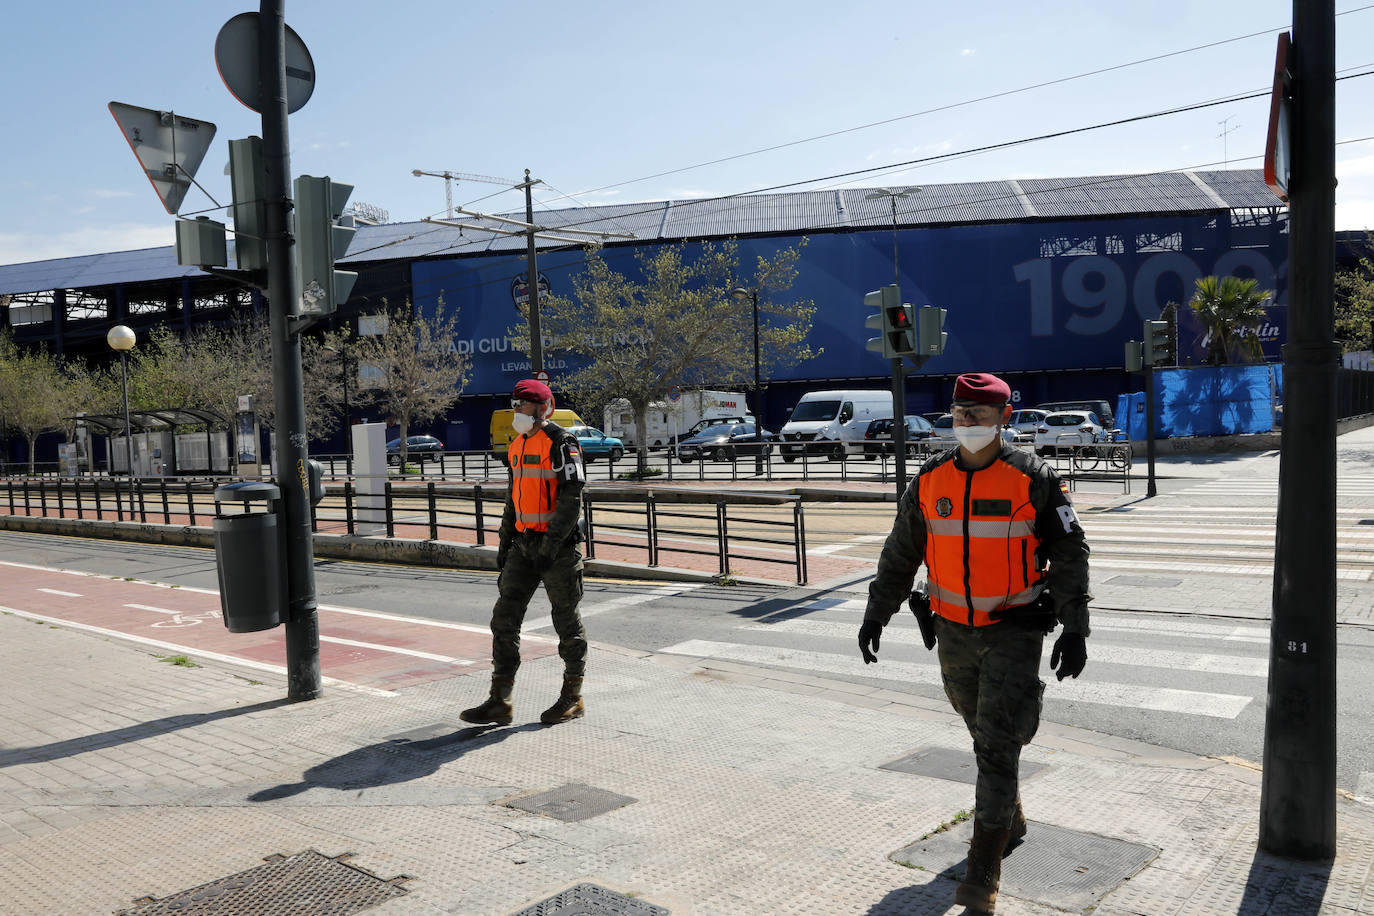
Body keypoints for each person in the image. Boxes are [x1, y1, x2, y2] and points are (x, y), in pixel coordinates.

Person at [858, 372, 1090, 914]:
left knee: (996, 741)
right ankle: (1009, 814)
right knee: (976, 724)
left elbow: (1071, 553)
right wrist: (877, 613)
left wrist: (1075, 625)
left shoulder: (1033, 479)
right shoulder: (931, 479)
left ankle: (983, 872)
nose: (965, 424)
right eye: (960, 414)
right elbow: (900, 554)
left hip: (1014, 629)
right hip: (951, 630)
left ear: (1003, 420)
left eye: (978, 416)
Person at [461, 379, 589, 727]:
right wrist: (504, 545)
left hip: (557, 549)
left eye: (522, 406)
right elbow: (513, 499)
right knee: (504, 619)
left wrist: (549, 547)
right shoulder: (517, 445)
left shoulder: (562, 443)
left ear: (542, 408)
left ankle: (573, 697)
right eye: (514, 405)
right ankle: (500, 700)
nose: (516, 411)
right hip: (523, 544)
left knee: (567, 623)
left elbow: (570, 499)